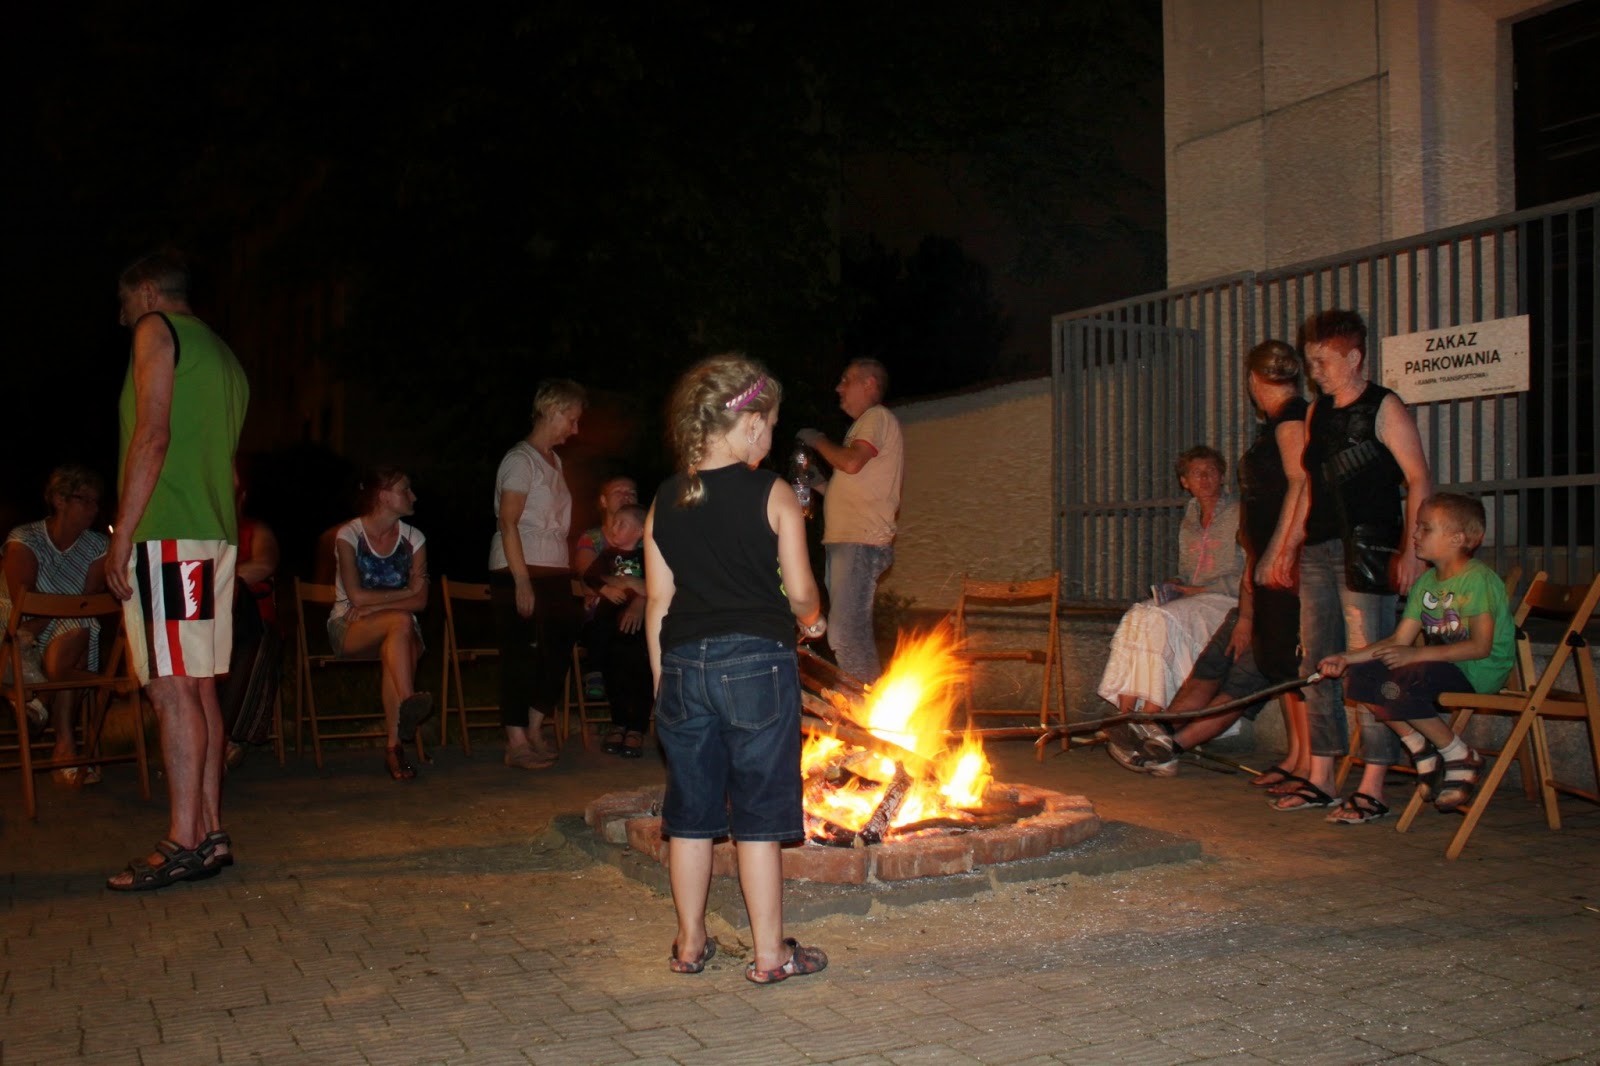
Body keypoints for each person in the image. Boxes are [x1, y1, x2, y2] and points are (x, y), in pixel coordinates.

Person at [645, 353, 829, 985]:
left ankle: (690, 943)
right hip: (755, 666)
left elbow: (659, 603)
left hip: (682, 666)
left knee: (691, 816)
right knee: (756, 818)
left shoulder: (664, 499)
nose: (771, 436)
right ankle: (770, 954)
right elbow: (799, 591)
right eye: (770, 425)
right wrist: (814, 621)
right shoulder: (772, 492)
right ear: (750, 424)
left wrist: (661, 681)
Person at [105, 250, 249, 891]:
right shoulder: (223, 354)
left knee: (170, 688)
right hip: (213, 535)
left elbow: (153, 434)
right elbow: (231, 470)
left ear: (145, 291)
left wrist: (122, 535)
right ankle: (211, 834)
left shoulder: (154, 330)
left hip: (170, 534)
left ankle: (184, 841)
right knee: (198, 687)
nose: (123, 318)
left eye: (124, 304)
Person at [1263, 309, 1432, 814]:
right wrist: (1289, 547)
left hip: (1368, 550)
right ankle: (1322, 776)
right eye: (1310, 361)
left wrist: (1412, 550)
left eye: (1323, 361)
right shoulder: (1318, 412)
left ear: (1354, 357)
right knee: (1317, 662)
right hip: (1320, 548)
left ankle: (1373, 785)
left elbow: (1419, 478)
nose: (1314, 371)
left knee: (1367, 664)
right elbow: (1311, 486)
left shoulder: (1384, 406)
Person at [1316, 494, 1513, 820]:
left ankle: (1459, 755)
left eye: (1425, 528)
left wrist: (1416, 654)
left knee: (1403, 680)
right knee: (1363, 676)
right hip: (1438, 666)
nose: (1415, 535)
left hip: (1476, 671)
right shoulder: (1426, 583)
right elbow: (1398, 641)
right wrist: (1347, 658)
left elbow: (1480, 647)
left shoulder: (1477, 579)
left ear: (1457, 538)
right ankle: (1420, 746)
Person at [1097, 445, 1243, 723]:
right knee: (1138, 615)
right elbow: (1188, 571)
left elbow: (1249, 572)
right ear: (1184, 482)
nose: (1205, 479)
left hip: (1226, 600)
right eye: (1196, 473)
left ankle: (1150, 715)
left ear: (1222, 476)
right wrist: (1178, 583)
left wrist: (1201, 589)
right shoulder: (1191, 516)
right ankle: (1125, 714)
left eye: (1211, 471)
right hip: (1195, 599)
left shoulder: (1239, 513)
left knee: (1160, 619)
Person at [490, 378, 586, 770]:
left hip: (554, 567)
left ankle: (533, 727)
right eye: (571, 419)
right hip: (519, 565)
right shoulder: (520, 459)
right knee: (520, 653)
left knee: (557, 648)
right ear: (551, 410)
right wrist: (521, 580)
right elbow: (508, 522)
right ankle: (515, 740)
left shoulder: (554, 461)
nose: (574, 429)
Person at [795, 358, 904, 684]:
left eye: (846, 380)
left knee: (846, 634)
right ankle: (860, 703)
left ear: (869, 384)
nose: (838, 388)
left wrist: (817, 439)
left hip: (861, 542)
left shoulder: (876, 416)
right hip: (850, 542)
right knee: (845, 633)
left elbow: (852, 463)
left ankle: (866, 708)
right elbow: (853, 483)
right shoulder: (863, 428)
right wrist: (817, 483)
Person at [0, 464, 110, 785]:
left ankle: (43, 703)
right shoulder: (25, 538)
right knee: (76, 628)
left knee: (81, 623)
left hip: (65, 632)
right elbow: (24, 602)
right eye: (85, 500)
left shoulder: (98, 546)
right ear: (60, 500)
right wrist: (64, 608)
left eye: (96, 501)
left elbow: (88, 601)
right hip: (18, 636)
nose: (94, 508)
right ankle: (65, 748)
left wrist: (63, 608)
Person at [327, 467, 433, 781]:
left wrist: (376, 606)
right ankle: (408, 706)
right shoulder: (349, 535)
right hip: (350, 628)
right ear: (384, 496)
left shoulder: (414, 538)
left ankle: (394, 746)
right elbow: (356, 596)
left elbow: (421, 601)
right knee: (400, 623)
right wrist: (404, 593)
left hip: (400, 631)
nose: (413, 496)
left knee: (398, 633)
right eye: (405, 490)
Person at [582, 503, 650, 757]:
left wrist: (636, 590)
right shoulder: (607, 555)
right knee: (614, 673)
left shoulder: (647, 557)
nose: (614, 527)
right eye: (614, 522)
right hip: (609, 624)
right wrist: (606, 588)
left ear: (640, 531)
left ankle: (636, 729)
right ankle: (618, 722)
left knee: (640, 673)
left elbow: (657, 585)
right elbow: (590, 576)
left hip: (638, 629)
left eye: (622, 523)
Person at [573, 475, 639, 699]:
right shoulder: (592, 538)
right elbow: (587, 580)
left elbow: (660, 584)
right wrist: (632, 583)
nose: (626, 496)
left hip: (639, 613)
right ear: (603, 501)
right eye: (618, 492)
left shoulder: (646, 539)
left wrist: (640, 600)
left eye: (631, 492)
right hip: (603, 614)